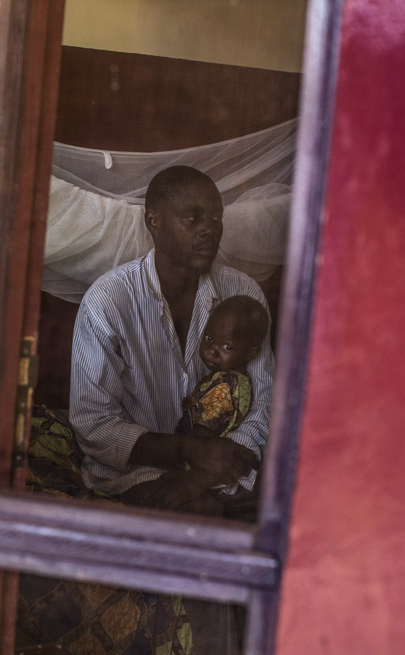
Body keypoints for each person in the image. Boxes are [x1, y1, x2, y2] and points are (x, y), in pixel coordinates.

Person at [69, 165, 275, 514]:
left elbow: (265, 401)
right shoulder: (107, 301)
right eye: (193, 218)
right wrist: (189, 451)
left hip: (227, 468)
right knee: (194, 515)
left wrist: (206, 472)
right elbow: (94, 424)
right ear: (154, 221)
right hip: (135, 472)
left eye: (215, 217)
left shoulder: (243, 294)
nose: (209, 229)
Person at [176, 295, 269, 441]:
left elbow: (199, 437)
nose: (212, 351)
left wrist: (182, 451)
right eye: (209, 338)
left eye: (227, 347)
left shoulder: (223, 386)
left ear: (251, 353)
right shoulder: (238, 380)